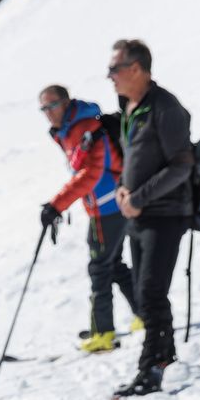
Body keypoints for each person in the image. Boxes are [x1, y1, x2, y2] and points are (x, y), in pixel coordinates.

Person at [108, 39, 193, 396]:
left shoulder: (166, 107)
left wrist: (139, 197)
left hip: (165, 213)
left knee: (151, 292)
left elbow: (182, 165)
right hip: (139, 214)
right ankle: (165, 352)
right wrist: (124, 189)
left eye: (115, 69)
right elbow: (134, 159)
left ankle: (150, 370)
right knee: (148, 294)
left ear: (137, 69)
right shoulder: (131, 106)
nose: (109, 76)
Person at [37, 84, 139, 353]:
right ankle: (144, 314)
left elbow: (91, 174)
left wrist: (56, 205)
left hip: (107, 206)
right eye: (44, 109)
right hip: (107, 203)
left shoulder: (85, 129)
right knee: (113, 264)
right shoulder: (71, 130)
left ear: (66, 102)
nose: (48, 113)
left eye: (52, 106)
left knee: (100, 268)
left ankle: (103, 333)